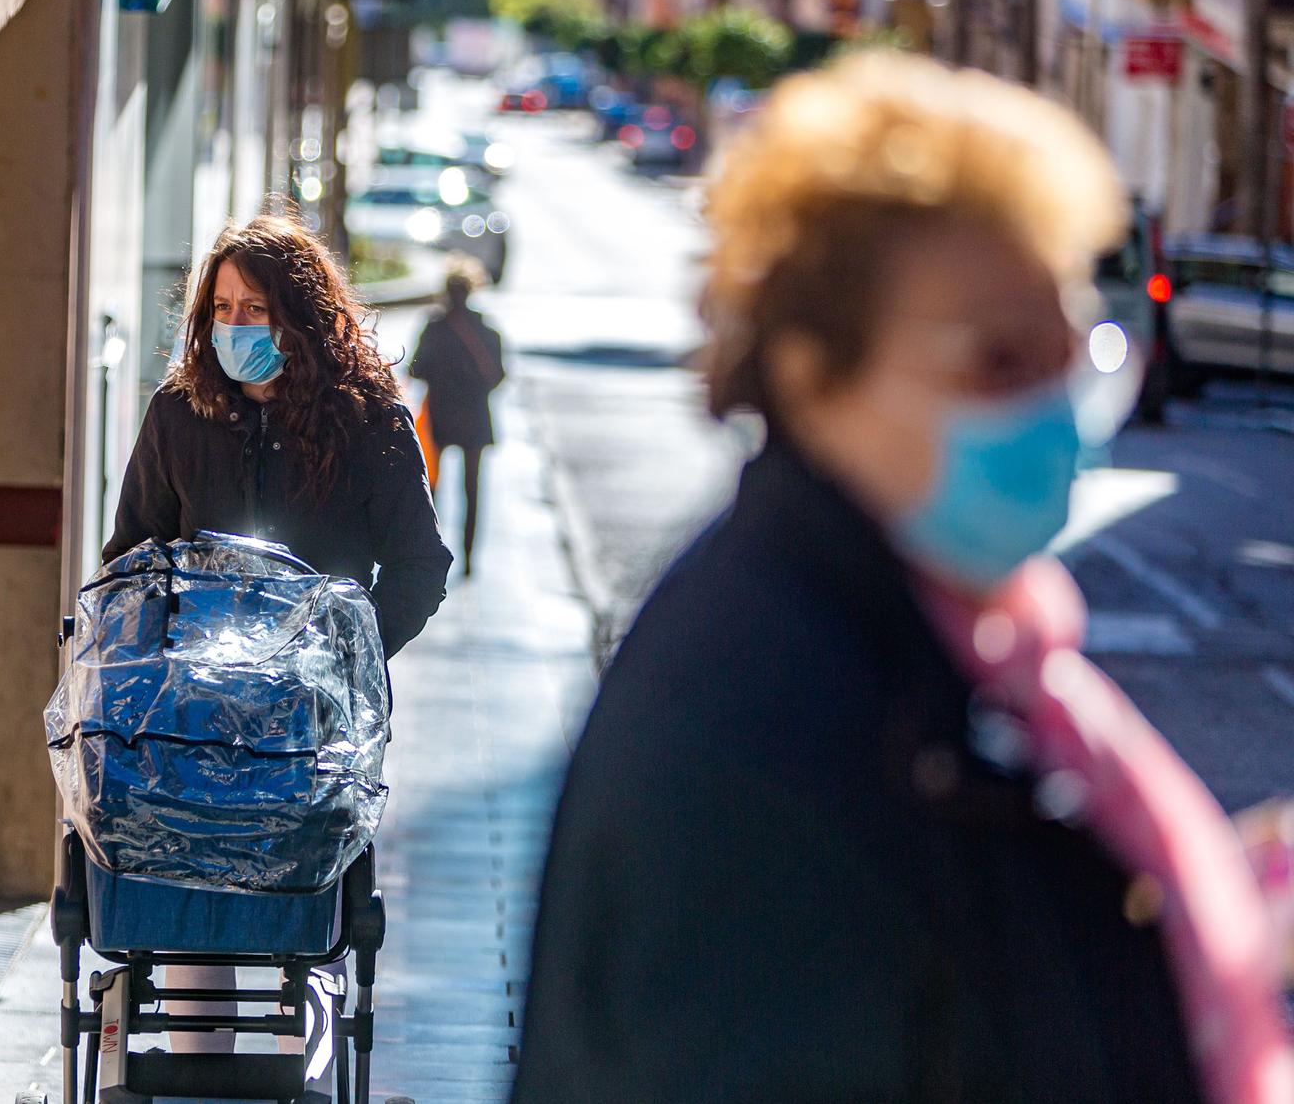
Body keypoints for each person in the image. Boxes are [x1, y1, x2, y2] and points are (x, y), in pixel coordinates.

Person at [514, 54, 1294, 1102]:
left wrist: (1224, 892)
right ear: (810, 370)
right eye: (998, 362)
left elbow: (988, 955)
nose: (1058, 409)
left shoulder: (952, 643)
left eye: (1073, 356)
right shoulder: (772, 723)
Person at [104, 203, 452, 1061]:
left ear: (299, 317)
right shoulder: (179, 417)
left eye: (254, 310)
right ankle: (197, 1052)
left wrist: (351, 658)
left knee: (295, 915)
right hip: (189, 717)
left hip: (310, 720)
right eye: (221, 310)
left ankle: (307, 1016)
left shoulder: (369, 421)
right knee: (187, 912)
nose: (234, 328)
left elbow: (420, 564)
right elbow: (131, 557)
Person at [410, 264, 506, 576]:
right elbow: (499, 376)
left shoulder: (435, 327)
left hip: (440, 415)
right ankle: (468, 561)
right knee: (472, 491)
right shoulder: (487, 331)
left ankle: (431, 555)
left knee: (432, 490)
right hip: (476, 418)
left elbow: (416, 369)